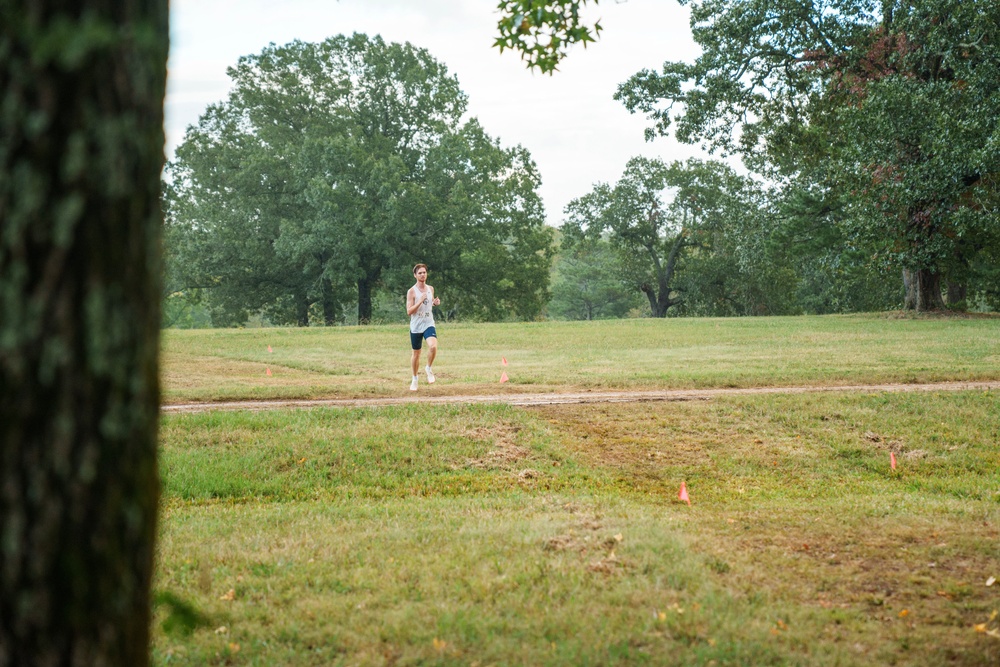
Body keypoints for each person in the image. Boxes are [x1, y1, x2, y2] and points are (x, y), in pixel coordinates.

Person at [406, 263, 440, 391]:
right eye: (419, 273)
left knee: (433, 346)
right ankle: (414, 379)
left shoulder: (430, 289)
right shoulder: (411, 291)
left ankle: (428, 368)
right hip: (416, 326)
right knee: (416, 353)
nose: (422, 275)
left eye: (424, 272)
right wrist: (419, 301)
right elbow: (409, 311)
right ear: (415, 275)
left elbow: (429, 303)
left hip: (428, 323)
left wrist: (435, 303)